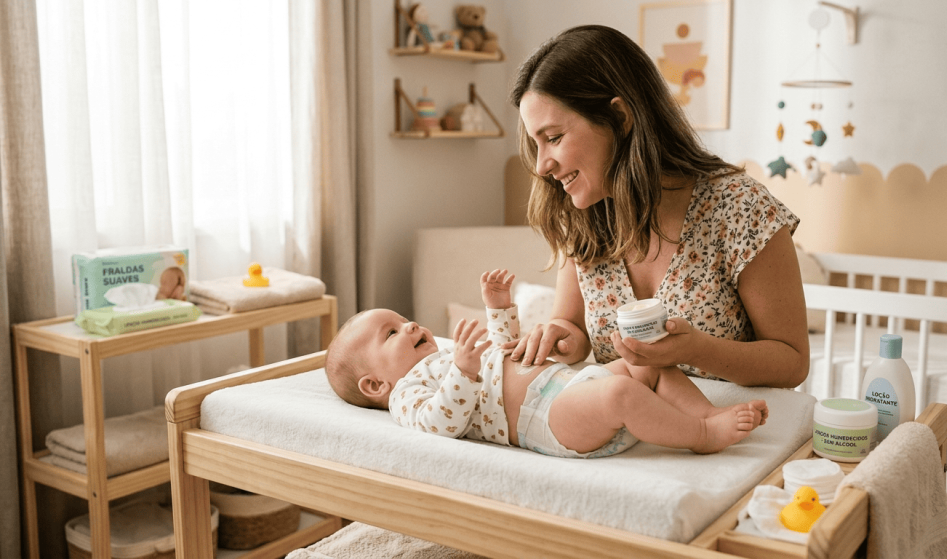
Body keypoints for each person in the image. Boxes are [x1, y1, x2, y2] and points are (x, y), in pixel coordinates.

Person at [507, 25, 810, 388]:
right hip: (628, 437)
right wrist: (560, 335)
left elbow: (792, 362)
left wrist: (695, 350)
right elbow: (570, 325)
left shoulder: (741, 209)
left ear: (620, 118)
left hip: (735, 432)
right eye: (536, 144)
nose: (541, 166)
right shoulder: (586, 214)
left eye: (553, 138)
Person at [325, 269, 768, 458]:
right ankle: (702, 435)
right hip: (547, 420)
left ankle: (708, 412)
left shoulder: (442, 356)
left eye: (402, 320)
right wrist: (462, 371)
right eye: (391, 333)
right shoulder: (407, 394)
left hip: (568, 382)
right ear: (373, 386)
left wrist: (497, 308)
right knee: (620, 392)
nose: (408, 326)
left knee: (644, 366)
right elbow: (440, 424)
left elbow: (507, 351)